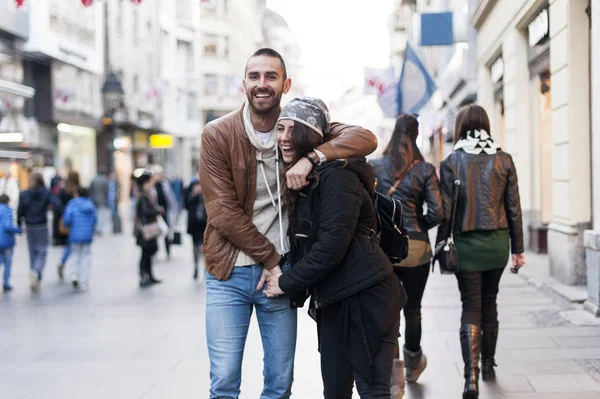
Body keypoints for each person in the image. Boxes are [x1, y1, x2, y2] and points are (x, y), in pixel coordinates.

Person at [199, 48, 378, 398]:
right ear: (244, 84)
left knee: (280, 384)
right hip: (230, 272)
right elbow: (222, 211)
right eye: (254, 77)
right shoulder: (218, 134)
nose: (262, 84)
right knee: (223, 382)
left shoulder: (300, 125)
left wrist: (312, 157)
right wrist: (271, 261)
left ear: (286, 84)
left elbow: (365, 138)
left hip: (281, 276)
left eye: (271, 76)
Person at [262, 97, 406, 398]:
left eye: (293, 130)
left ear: (312, 136)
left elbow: (331, 246)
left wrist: (286, 283)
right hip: (334, 302)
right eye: (280, 129)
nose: (284, 138)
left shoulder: (337, 175)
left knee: (373, 391)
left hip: (368, 298)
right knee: (335, 392)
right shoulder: (307, 179)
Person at [436, 104, 525, 399]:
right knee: (490, 302)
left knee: (470, 306)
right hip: (498, 245)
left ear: (461, 126)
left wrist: (440, 244)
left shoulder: (451, 161)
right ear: (486, 124)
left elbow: (446, 212)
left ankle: (470, 378)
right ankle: (488, 364)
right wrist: (519, 249)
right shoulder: (505, 159)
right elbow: (513, 208)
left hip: (466, 246)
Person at [370, 113, 444, 388]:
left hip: (385, 249)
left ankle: (393, 373)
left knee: (389, 310)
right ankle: (414, 364)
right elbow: (438, 211)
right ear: (416, 134)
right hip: (416, 248)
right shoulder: (424, 169)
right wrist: (419, 227)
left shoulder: (375, 165)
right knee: (413, 308)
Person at [18, 172, 51, 293]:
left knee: (32, 253)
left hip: (30, 225)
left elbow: (20, 209)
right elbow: (55, 204)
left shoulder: (25, 193)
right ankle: (36, 271)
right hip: (41, 224)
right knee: (42, 251)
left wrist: (18, 223)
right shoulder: (46, 192)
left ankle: (35, 278)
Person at [62, 187, 97, 290]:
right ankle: (84, 280)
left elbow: (67, 219)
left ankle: (74, 275)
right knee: (86, 257)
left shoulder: (72, 204)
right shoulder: (90, 205)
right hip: (87, 236)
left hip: (75, 235)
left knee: (75, 254)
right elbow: (95, 220)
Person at [134, 169, 162, 287]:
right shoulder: (143, 196)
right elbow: (145, 212)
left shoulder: (146, 194)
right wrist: (157, 210)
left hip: (147, 229)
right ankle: (144, 276)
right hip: (145, 230)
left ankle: (149, 275)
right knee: (146, 253)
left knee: (148, 253)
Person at [52, 171, 80, 280]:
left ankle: (62, 262)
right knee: (73, 245)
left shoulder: (62, 189)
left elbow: (56, 203)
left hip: (66, 219)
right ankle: (72, 270)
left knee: (71, 244)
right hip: (75, 221)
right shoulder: (75, 191)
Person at [153, 165, 178, 259]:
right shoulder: (151, 186)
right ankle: (155, 253)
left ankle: (168, 251)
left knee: (167, 232)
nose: (158, 176)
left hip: (165, 212)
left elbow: (171, 198)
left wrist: (175, 210)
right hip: (155, 213)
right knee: (156, 233)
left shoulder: (165, 184)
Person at [184, 177, 207, 281]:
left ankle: (205, 267)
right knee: (195, 246)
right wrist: (194, 194)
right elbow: (186, 204)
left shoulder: (205, 189)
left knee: (205, 247)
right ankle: (196, 266)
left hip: (204, 223)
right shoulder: (190, 190)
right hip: (194, 224)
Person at [0, 194, 22, 292]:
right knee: (7, 262)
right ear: (7, 201)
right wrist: (18, 230)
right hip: (6, 241)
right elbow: (7, 226)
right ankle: (6, 283)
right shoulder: (7, 211)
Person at [89, 167, 110, 235]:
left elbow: (90, 189)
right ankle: (99, 229)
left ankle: (96, 228)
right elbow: (107, 191)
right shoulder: (105, 180)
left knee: (96, 215)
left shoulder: (94, 179)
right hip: (102, 200)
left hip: (94, 200)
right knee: (101, 215)